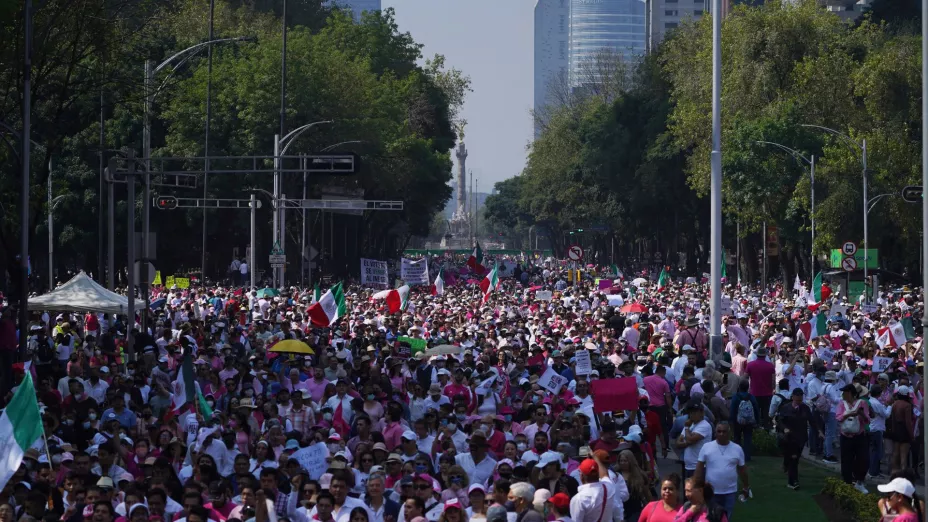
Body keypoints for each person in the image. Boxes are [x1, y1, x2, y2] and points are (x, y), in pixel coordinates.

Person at [694, 423, 749, 521]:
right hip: (711, 492)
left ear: (729, 433)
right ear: (715, 433)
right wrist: (696, 486)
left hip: (730, 492)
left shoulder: (737, 449)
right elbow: (699, 467)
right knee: (710, 517)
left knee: (726, 518)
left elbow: (742, 470)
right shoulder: (707, 447)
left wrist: (746, 486)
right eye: (719, 431)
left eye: (724, 431)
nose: (721, 434)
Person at [775, 388, 816, 490]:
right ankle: (793, 481)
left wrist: (819, 431)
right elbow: (780, 421)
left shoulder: (805, 408)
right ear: (792, 397)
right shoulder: (785, 408)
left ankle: (789, 471)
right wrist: (784, 429)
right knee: (793, 458)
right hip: (789, 438)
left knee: (795, 459)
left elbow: (811, 421)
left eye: (800, 400)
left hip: (800, 438)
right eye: (797, 400)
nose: (798, 402)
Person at [836, 383, 871, 493]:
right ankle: (847, 483)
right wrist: (849, 414)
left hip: (859, 436)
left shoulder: (862, 403)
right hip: (845, 436)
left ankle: (859, 481)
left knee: (863, 459)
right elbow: (838, 418)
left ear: (850, 393)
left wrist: (861, 414)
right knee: (846, 460)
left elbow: (867, 420)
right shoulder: (842, 404)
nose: (842, 394)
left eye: (844, 392)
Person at [676, 400, 712, 479]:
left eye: (695, 412)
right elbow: (678, 443)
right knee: (688, 490)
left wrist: (686, 429)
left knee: (698, 490)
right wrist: (688, 442)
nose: (692, 415)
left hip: (700, 466)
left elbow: (690, 439)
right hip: (688, 466)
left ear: (701, 412)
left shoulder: (705, 425)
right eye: (691, 412)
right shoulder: (690, 425)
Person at [728, 381, 758, 462]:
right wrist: (757, 421)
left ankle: (737, 456)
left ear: (739, 387)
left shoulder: (735, 397)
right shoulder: (751, 397)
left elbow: (732, 410)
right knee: (747, 439)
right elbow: (756, 409)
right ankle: (747, 457)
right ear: (748, 388)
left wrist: (731, 420)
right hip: (749, 421)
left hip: (738, 422)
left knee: (737, 438)